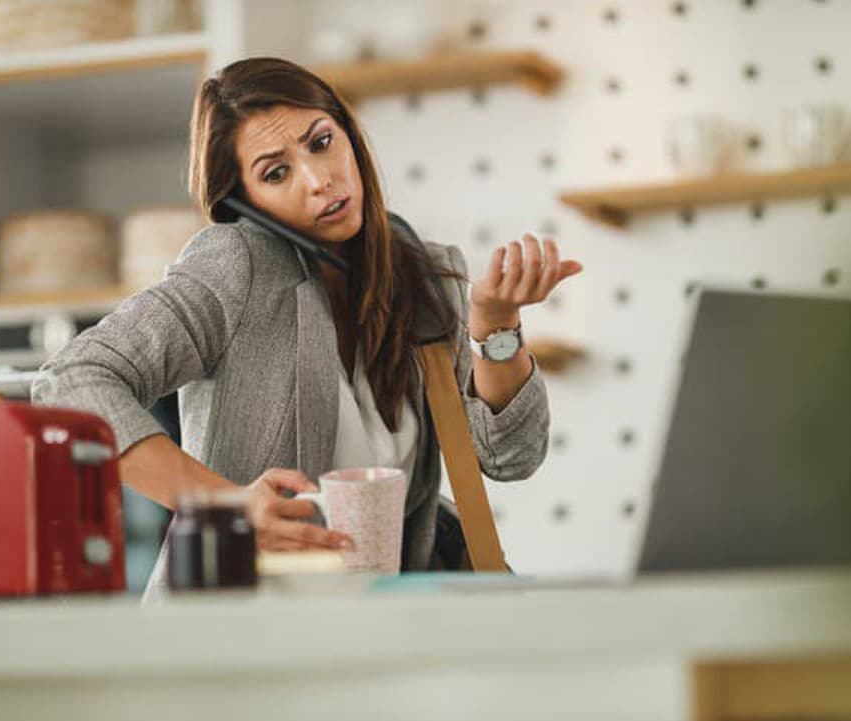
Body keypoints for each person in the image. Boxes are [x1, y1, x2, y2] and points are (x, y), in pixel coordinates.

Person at [32, 57, 583, 601]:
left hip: (381, 641)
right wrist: (224, 507)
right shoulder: (236, 265)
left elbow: (511, 458)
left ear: (348, 133)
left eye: (321, 142)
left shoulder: (430, 276)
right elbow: (69, 381)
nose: (319, 181)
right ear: (244, 202)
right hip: (239, 634)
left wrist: (496, 325)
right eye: (277, 173)